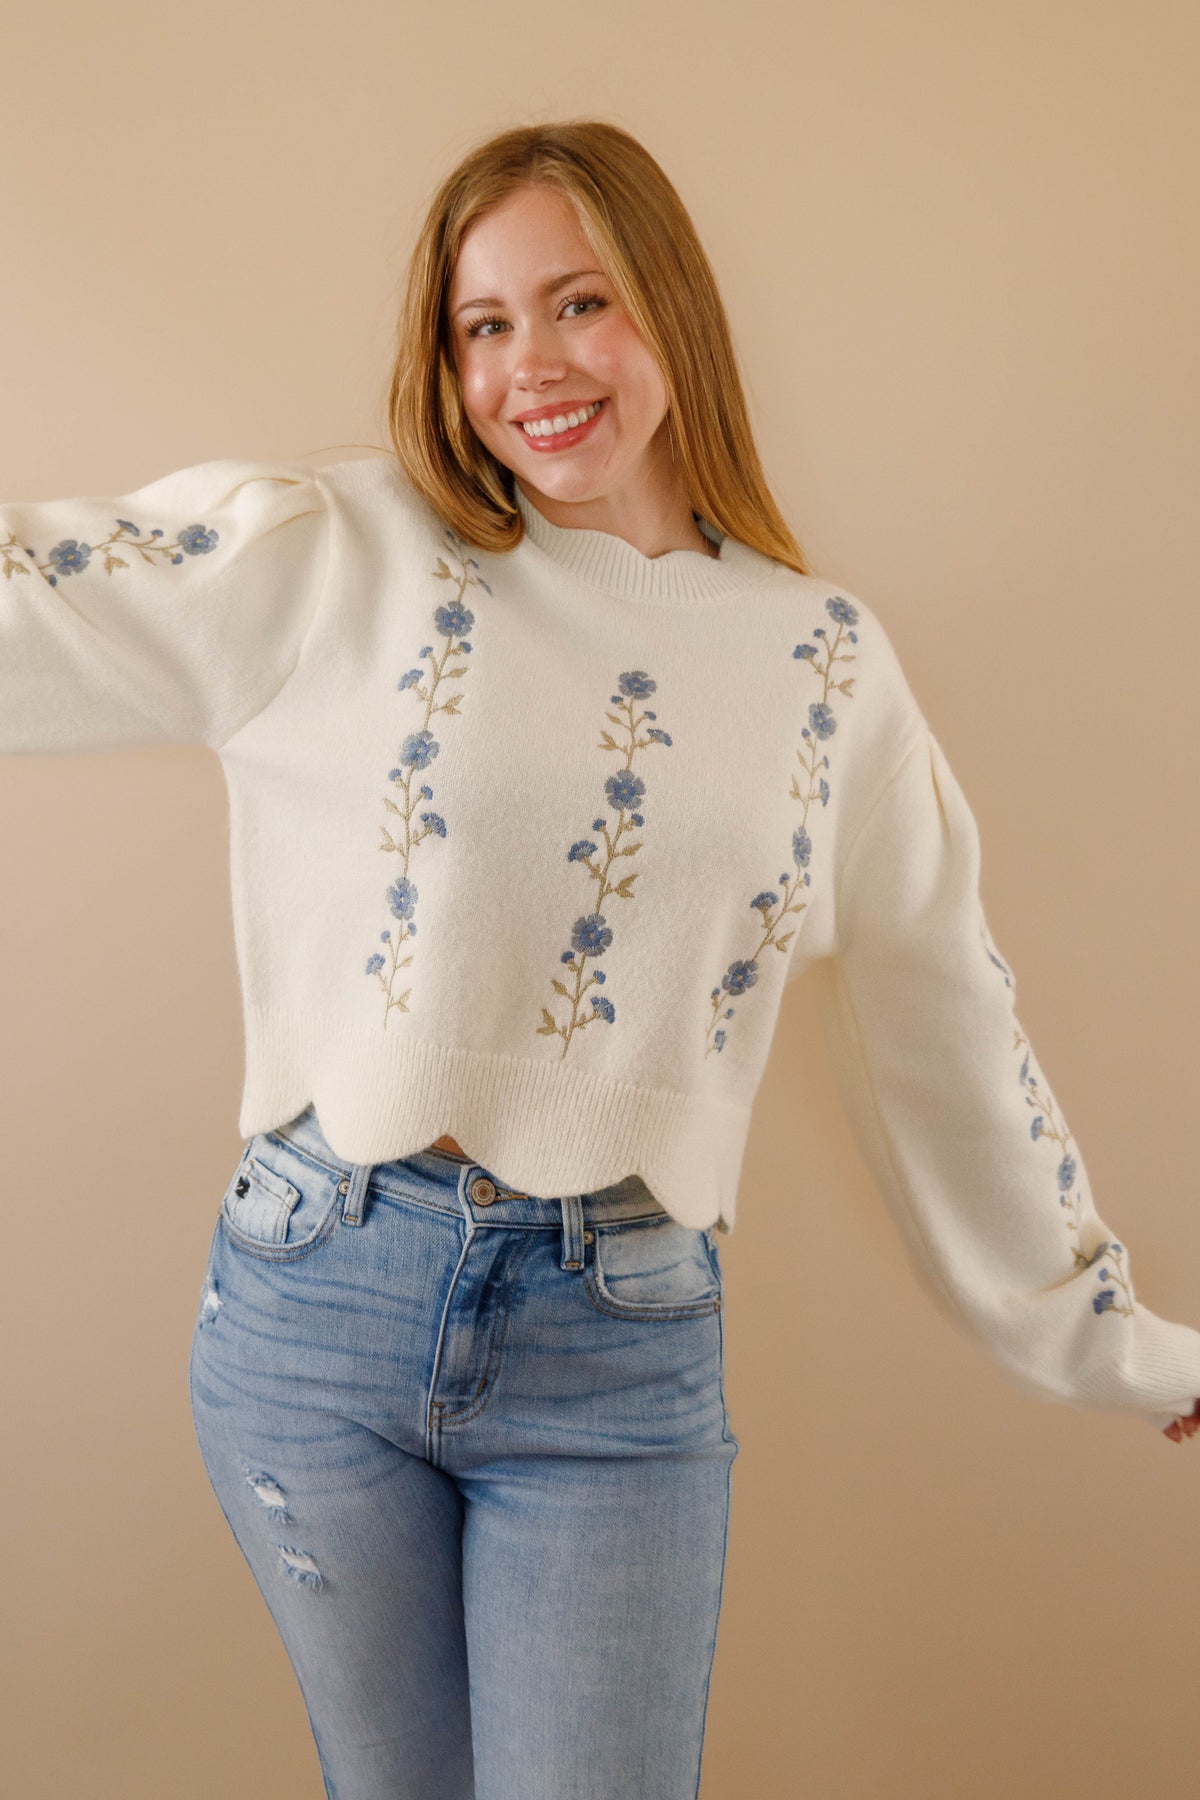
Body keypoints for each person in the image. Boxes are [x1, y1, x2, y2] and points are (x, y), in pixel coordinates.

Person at [6, 116, 1200, 1800]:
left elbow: (947, 1024)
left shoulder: (823, 668)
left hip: (619, 1350)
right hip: (317, 1299)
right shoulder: (343, 554)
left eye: (581, 302)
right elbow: (40, 606)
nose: (534, 368)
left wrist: (1113, 1337)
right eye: (484, 325)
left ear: (671, 309)